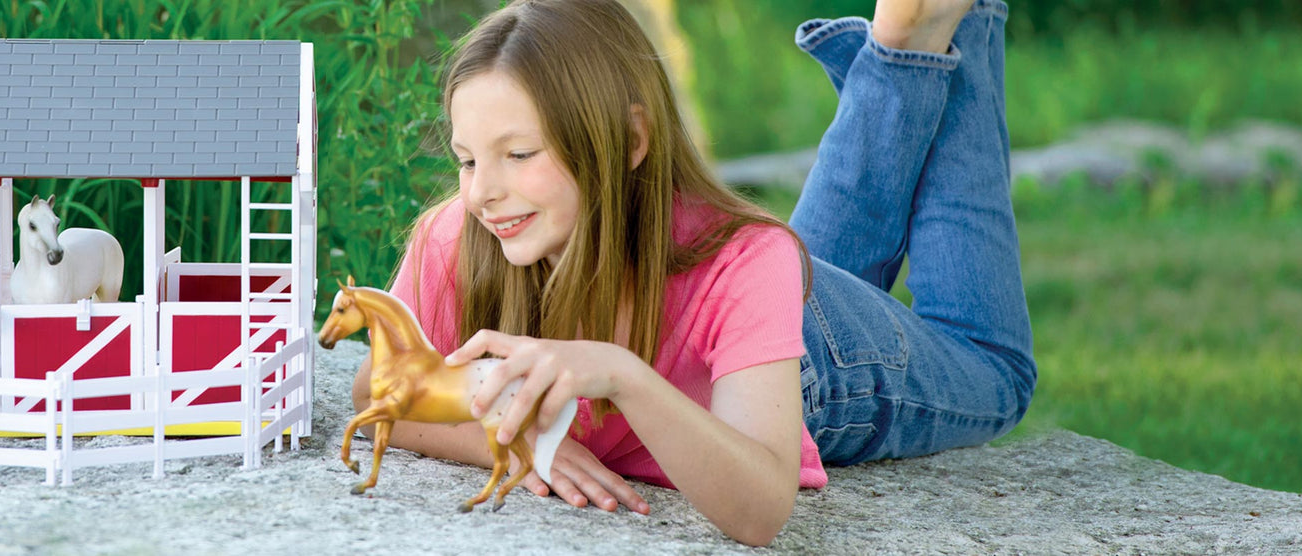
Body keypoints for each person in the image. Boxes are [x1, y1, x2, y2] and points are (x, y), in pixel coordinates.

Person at [354, 0, 1033, 546]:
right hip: (754, 307)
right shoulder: (463, 236)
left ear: (629, 141)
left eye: (520, 153)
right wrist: (511, 445)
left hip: (818, 371)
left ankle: (952, 29)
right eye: (468, 159)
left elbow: (760, 512)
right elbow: (375, 391)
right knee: (782, 261)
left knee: (993, 366)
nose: (481, 193)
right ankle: (905, 45)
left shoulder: (744, 262)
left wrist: (620, 373)